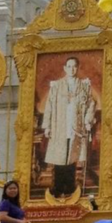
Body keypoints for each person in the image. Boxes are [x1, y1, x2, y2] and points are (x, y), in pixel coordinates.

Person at [42, 57, 97, 193]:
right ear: (65, 68)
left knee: (72, 156)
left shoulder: (84, 85)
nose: (72, 69)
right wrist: (47, 126)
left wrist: (87, 120)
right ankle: (59, 186)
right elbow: (49, 106)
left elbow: (91, 104)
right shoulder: (57, 86)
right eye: (69, 66)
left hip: (76, 126)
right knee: (60, 156)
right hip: (60, 125)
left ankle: (70, 187)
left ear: (77, 68)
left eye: (74, 66)